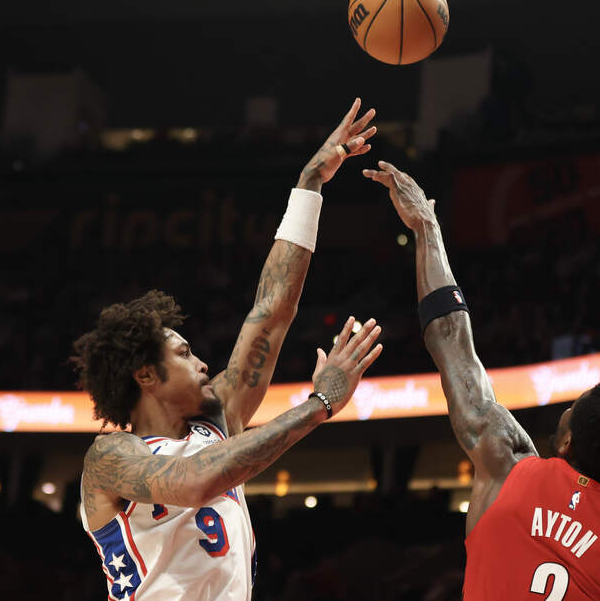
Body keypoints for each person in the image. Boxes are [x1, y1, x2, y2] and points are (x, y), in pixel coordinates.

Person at [71, 99, 385, 601]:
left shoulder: (216, 420)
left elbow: (271, 310)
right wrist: (318, 405)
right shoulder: (111, 457)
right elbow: (196, 482)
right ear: (145, 375)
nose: (202, 363)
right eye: (183, 354)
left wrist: (309, 185)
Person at [364, 161, 600, 600]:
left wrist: (427, 229)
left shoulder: (506, 463)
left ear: (567, 442)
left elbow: (450, 340)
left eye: (569, 410)